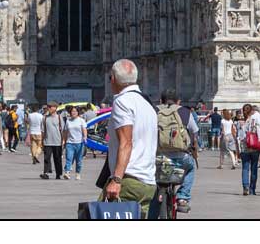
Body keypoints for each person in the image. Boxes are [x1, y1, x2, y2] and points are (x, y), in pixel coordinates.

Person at [100, 59, 159, 217]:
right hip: (147, 181)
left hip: (129, 180)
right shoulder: (147, 104)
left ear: (113, 78)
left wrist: (117, 180)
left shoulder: (122, 101)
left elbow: (126, 142)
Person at [156, 92, 197, 213]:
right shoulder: (185, 112)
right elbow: (194, 132)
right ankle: (183, 197)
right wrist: (194, 150)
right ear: (178, 101)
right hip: (181, 155)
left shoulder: (154, 110)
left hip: (159, 156)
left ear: (160, 101)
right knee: (191, 168)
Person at [236, 103, 260, 196]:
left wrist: (238, 150)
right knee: (254, 168)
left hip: (244, 147)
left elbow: (239, 137)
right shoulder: (254, 120)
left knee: (245, 168)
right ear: (251, 110)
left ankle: (245, 187)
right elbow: (259, 132)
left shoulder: (240, 122)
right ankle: (252, 189)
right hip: (254, 146)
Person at [65, 106, 89, 176]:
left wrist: (85, 137)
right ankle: (67, 172)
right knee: (69, 158)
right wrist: (64, 140)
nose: (73, 113)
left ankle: (78, 173)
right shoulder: (68, 121)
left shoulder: (81, 120)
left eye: (75, 111)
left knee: (78, 160)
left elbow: (84, 129)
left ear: (78, 112)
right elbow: (66, 132)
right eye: (72, 111)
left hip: (79, 143)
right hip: (70, 143)